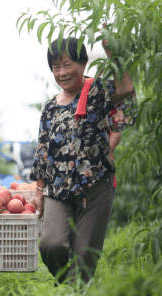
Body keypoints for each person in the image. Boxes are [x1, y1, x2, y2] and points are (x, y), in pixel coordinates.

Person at [30, 36, 135, 285]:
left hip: (96, 185)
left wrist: (114, 51)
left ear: (83, 63)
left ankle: (73, 289)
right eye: (56, 67)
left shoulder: (97, 91)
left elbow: (125, 89)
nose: (62, 72)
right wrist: (38, 191)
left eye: (67, 65)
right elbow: (42, 150)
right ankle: (67, 284)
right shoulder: (49, 109)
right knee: (50, 244)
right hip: (58, 189)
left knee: (84, 254)